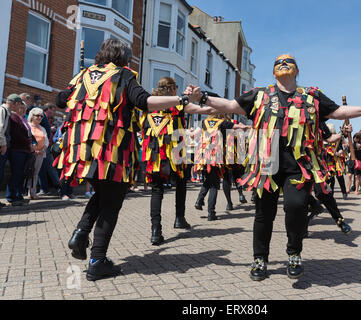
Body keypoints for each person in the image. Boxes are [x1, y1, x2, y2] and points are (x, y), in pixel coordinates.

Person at [194, 53, 361, 281]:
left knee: (296, 207)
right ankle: (260, 258)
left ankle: (294, 252)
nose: (284, 63)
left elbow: (338, 112)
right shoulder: (260, 95)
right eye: (279, 62)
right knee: (263, 214)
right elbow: (229, 105)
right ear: (274, 71)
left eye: (289, 61)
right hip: (267, 163)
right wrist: (203, 97)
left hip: (299, 165)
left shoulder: (311, 96)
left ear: (297, 71)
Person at [56, 39, 205, 281]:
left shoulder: (83, 75)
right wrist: (182, 100)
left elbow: (61, 100)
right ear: (123, 58)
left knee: (102, 195)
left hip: (83, 151)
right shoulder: (123, 76)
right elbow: (144, 102)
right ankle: (96, 261)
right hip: (111, 152)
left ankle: (81, 234)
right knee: (111, 203)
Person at [140, 77, 217, 246]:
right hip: (176, 151)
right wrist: (215, 107)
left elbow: (141, 127)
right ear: (172, 88)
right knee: (181, 182)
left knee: (157, 189)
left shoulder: (149, 103)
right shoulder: (179, 104)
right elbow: (199, 110)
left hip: (154, 153)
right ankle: (179, 218)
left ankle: (156, 231)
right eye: (176, 87)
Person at [193, 114, 250, 220]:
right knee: (214, 185)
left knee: (208, 181)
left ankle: (199, 200)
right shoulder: (223, 123)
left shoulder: (204, 122)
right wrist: (248, 127)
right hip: (215, 159)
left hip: (203, 158)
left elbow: (193, 135)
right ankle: (211, 213)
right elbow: (239, 127)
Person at [6, 97, 33, 206]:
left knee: (21, 174)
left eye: (25, 108)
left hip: (25, 150)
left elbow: (29, 134)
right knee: (16, 174)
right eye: (21, 108)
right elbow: (16, 134)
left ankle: (18, 195)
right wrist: (28, 143)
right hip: (17, 150)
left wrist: (32, 143)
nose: (23, 110)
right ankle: (11, 197)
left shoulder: (23, 119)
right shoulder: (13, 117)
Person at [27, 107, 49, 200]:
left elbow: (46, 141)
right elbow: (27, 139)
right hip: (29, 153)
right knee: (27, 173)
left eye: (41, 116)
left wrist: (42, 149)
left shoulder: (42, 128)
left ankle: (32, 192)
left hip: (40, 154)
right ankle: (21, 192)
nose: (40, 118)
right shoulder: (27, 125)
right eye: (37, 115)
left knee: (35, 174)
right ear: (32, 116)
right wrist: (33, 150)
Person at [0, 95, 14, 207]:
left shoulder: (6, 112)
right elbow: (0, 129)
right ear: (14, 103)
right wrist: (3, 144)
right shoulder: (2, 111)